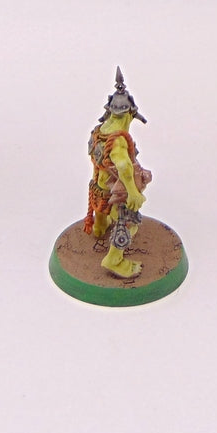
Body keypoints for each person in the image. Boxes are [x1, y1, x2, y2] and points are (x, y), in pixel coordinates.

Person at [83, 68, 153, 279]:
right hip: (113, 192)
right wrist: (133, 192)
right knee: (130, 223)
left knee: (102, 217)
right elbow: (122, 165)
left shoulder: (99, 131)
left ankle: (99, 227)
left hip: (97, 187)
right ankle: (114, 260)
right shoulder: (118, 140)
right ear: (130, 114)